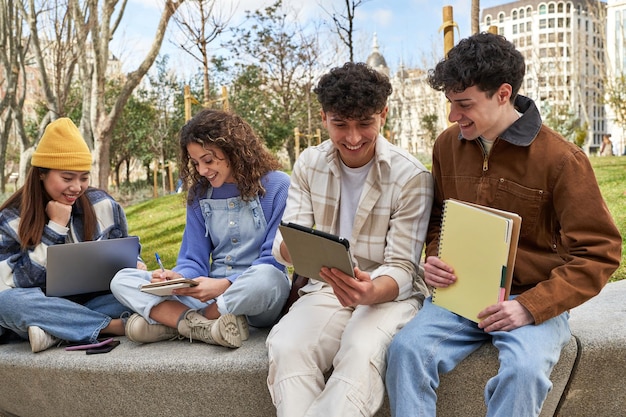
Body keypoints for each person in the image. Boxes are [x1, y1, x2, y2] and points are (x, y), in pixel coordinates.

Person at [385, 32, 622, 417]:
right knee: (405, 351)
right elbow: (437, 220)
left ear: (502, 93)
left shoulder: (563, 160)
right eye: (450, 103)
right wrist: (435, 258)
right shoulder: (446, 145)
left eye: (464, 104)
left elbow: (600, 253)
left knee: (524, 370)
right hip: (461, 296)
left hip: (535, 299)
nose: (452, 116)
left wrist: (530, 307)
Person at [266, 62, 434, 417]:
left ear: (383, 115)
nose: (353, 138)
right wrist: (292, 248)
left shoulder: (411, 176)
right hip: (325, 287)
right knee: (287, 345)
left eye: (365, 124)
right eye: (340, 124)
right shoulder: (308, 164)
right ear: (324, 117)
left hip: (388, 295)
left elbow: (404, 266)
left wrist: (371, 291)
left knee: (361, 350)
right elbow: (285, 242)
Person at [110, 109, 290, 349]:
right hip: (208, 291)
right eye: (195, 163)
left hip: (257, 295)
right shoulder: (199, 195)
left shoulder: (278, 185)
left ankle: (177, 324)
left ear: (234, 151)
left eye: (208, 160)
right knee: (121, 279)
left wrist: (224, 285)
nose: (203, 170)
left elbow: (273, 260)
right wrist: (178, 278)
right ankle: (202, 325)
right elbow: (193, 259)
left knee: (268, 278)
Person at [0, 117, 143, 353]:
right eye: (67, 178)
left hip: (96, 300)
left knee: (140, 292)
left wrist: (137, 267)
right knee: (5, 304)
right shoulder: (10, 219)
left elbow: (125, 258)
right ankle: (111, 327)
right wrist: (55, 227)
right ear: (41, 174)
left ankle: (53, 331)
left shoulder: (104, 205)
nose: (77, 187)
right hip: (39, 304)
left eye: (83, 177)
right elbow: (15, 282)